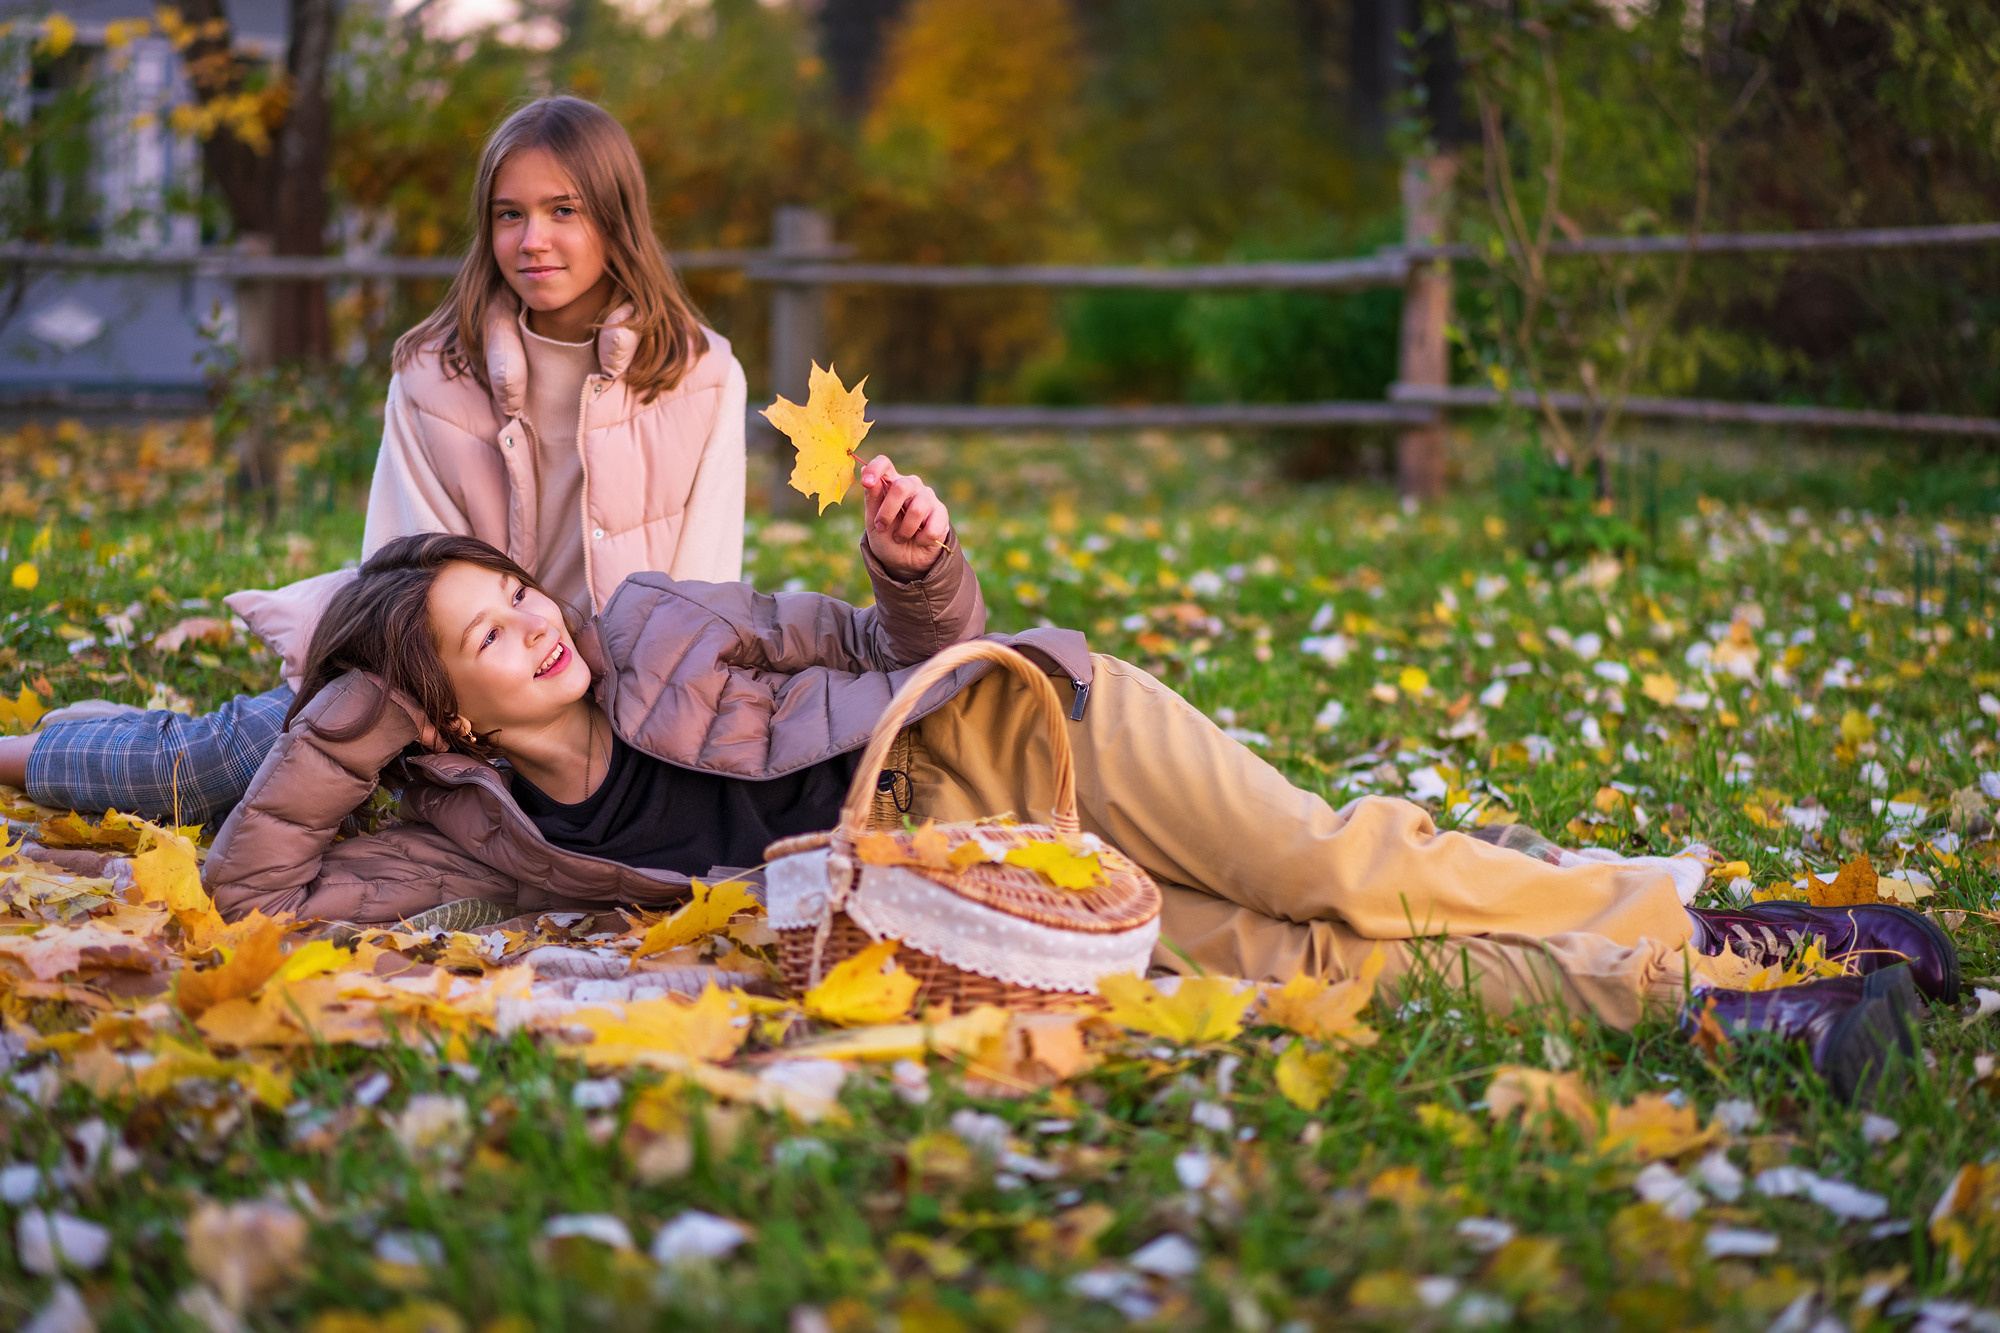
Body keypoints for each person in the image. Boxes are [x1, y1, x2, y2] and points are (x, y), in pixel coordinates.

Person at [204, 459, 1957, 1104]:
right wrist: (358, 709)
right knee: (1300, 974)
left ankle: (1703, 920)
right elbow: (256, 893)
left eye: (515, 592)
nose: (539, 626)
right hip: (982, 884)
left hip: (1022, 732)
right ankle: (1741, 1005)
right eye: (488, 641)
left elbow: (903, 638)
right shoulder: (472, 833)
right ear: (437, 723)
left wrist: (919, 559)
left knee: (1329, 860)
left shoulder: (665, 619)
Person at [0, 95, 746, 826]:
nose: (531, 241)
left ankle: (96, 729)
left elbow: (704, 594)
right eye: (509, 214)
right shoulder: (433, 373)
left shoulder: (701, 375)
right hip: (446, 688)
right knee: (230, 764)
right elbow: (405, 572)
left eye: (564, 210)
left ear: (617, 217)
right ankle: (25, 751)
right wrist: (456, 709)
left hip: (615, 702)